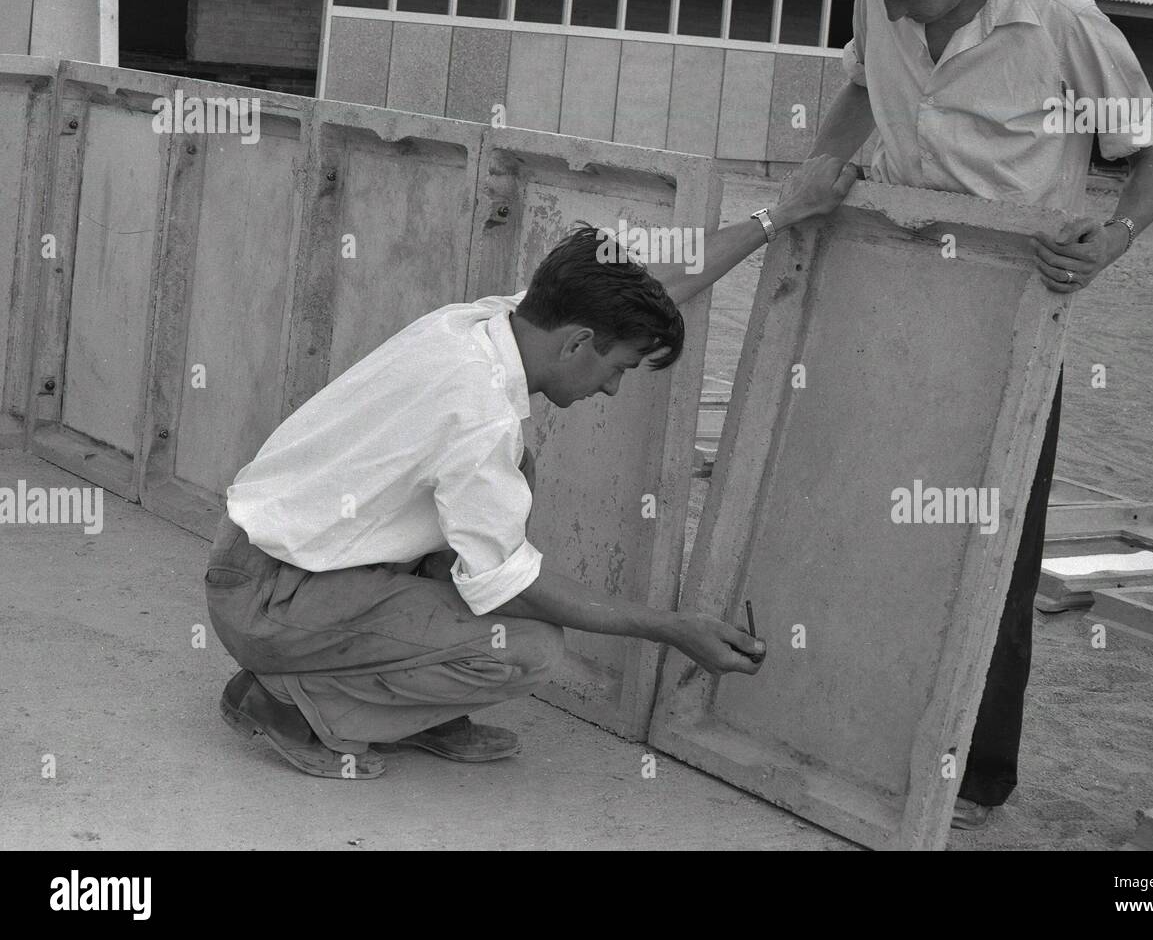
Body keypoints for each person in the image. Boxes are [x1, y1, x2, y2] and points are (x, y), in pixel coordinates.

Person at [206, 155, 855, 779]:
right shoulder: (480, 412)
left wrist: (779, 215)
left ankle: (393, 699)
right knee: (528, 646)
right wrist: (671, 626)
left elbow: (658, 289)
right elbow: (510, 584)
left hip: (269, 560)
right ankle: (284, 703)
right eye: (619, 367)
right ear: (576, 342)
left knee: (516, 473)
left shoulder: (491, 324)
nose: (611, 389)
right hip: (269, 595)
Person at [809, 0, 1153, 829]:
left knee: (991, 539)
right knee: (863, 508)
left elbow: (1151, 157)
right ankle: (860, 721)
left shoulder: (1061, 23)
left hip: (1008, 300)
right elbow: (857, 91)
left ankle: (974, 771)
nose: (893, 12)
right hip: (886, 277)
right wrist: (818, 167)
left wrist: (1113, 240)